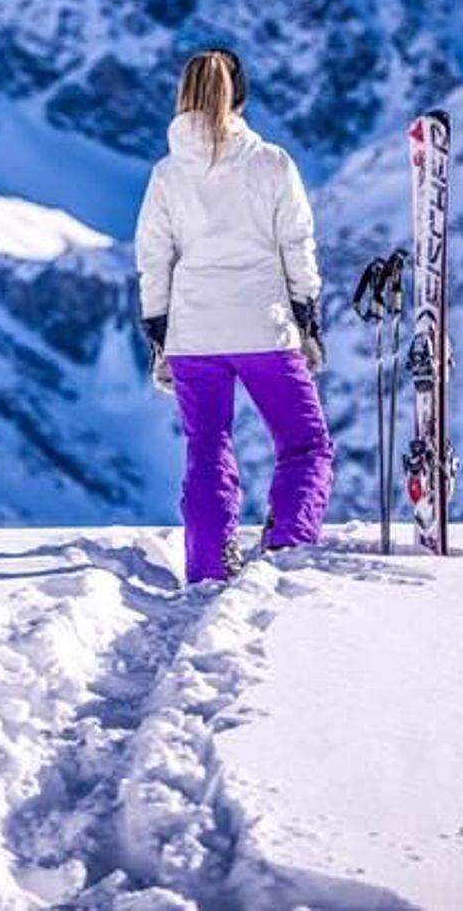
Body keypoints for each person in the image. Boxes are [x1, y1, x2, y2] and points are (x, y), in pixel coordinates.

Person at [134, 48, 333, 585]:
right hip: (264, 325)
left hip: (194, 332)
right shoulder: (271, 163)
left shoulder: (167, 175)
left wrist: (159, 332)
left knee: (207, 447)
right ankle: (289, 541)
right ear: (240, 96)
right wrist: (307, 315)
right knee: (305, 444)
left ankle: (208, 564)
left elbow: (154, 258)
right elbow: (297, 244)